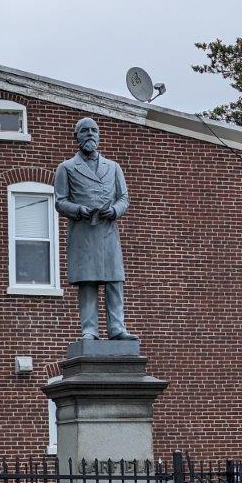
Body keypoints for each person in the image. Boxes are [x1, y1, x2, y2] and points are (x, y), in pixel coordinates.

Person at [54, 117, 138, 341]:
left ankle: (117, 328)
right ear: (77, 137)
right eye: (84, 131)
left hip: (108, 231)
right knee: (88, 282)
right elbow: (60, 201)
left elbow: (124, 198)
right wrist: (79, 209)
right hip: (84, 233)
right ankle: (90, 329)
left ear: (99, 136)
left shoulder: (113, 167)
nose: (90, 134)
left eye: (94, 130)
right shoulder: (67, 168)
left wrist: (115, 211)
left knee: (114, 280)